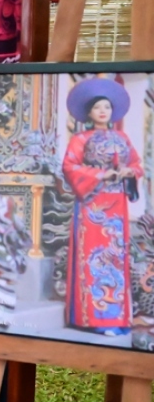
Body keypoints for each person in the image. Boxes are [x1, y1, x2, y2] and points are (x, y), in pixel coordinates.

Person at [62, 77, 142, 335]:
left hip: (116, 207)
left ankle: (115, 319)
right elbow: (70, 166)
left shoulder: (122, 138)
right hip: (91, 206)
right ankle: (93, 318)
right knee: (93, 259)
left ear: (112, 111)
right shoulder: (80, 139)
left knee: (116, 257)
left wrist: (127, 171)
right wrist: (100, 175)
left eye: (107, 107)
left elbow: (138, 166)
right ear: (89, 112)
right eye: (98, 107)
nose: (103, 111)